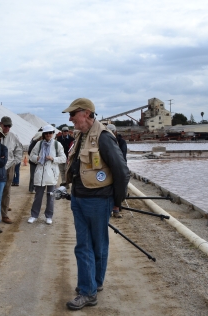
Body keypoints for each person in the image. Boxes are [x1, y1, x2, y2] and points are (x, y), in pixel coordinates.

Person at [63, 98, 130, 310]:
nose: (70, 118)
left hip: (98, 200)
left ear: (86, 113)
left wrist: (117, 202)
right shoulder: (81, 136)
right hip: (80, 198)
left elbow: (122, 171)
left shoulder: (103, 137)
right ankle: (94, 283)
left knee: (91, 246)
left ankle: (88, 292)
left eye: (73, 114)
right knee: (90, 245)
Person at [28, 125, 66, 224]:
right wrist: (37, 158)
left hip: (51, 174)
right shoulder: (39, 144)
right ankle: (34, 215)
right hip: (40, 172)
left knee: (51, 196)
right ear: (43, 134)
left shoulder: (57, 144)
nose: (48, 135)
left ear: (53, 134)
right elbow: (31, 155)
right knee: (38, 196)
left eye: (50, 133)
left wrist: (53, 158)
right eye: (46, 133)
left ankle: (49, 216)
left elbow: (63, 158)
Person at [0, 116, 23, 224]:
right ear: (1, 124)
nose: (7, 128)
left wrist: (14, 162)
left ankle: (4, 215)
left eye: (9, 126)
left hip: (9, 168)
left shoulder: (13, 137)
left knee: (6, 191)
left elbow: (19, 150)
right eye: (5, 125)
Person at [106, 123, 128, 218]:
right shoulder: (104, 141)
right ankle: (110, 208)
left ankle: (116, 208)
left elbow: (122, 156)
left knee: (120, 189)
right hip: (108, 168)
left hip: (119, 168)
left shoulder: (121, 142)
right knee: (108, 188)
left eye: (112, 132)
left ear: (115, 132)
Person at [27, 127, 43, 193]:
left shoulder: (42, 143)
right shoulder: (33, 143)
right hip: (33, 162)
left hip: (40, 162)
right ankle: (31, 188)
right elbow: (29, 152)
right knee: (33, 176)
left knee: (40, 175)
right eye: (41, 137)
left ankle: (38, 188)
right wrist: (36, 157)